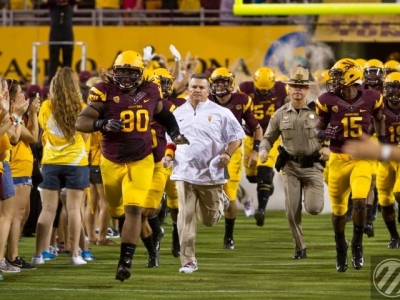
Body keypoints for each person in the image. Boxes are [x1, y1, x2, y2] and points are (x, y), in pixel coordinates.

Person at [75, 50, 189, 282]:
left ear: (140, 73)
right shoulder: (103, 92)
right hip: (111, 161)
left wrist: (175, 132)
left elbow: (163, 114)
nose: (126, 77)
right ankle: (150, 244)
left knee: (135, 210)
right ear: (114, 72)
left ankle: (124, 263)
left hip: (142, 160)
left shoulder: (150, 91)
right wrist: (102, 123)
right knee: (118, 213)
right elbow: (81, 121)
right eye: (122, 72)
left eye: (131, 72)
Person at [162, 73, 245, 273]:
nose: (197, 90)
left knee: (210, 220)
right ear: (187, 89)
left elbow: (237, 138)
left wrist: (227, 153)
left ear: (208, 91)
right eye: (193, 87)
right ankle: (188, 260)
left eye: (201, 87)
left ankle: (221, 201)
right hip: (183, 172)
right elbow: (171, 140)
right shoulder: (177, 113)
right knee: (185, 216)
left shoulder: (221, 112)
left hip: (211, 173)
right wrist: (168, 156)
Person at [315, 58, 385, 273]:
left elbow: (380, 118)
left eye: (338, 75)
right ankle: (340, 246)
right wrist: (322, 137)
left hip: (362, 157)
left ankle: (357, 244)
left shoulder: (373, 97)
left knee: (360, 200)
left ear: (351, 76)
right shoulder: (326, 99)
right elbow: (317, 129)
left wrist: (381, 142)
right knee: (337, 213)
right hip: (337, 159)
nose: (333, 80)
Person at [259, 66, 328, 260]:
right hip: (290, 168)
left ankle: (309, 198)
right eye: (294, 85)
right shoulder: (280, 114)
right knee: (291, 211)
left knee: (314, 208)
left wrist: (327, 146)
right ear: (288, 88)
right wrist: (263, 150)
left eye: (302, 86)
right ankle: (300, 247)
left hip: (313, 166)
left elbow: (330, 132)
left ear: (308, 90)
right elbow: (268, 138)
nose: (297, 89)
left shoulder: (319, 112)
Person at [32, 67, 89, 266]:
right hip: (76, 161)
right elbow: (85, 135)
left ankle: (38, 254)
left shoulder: (47, 106)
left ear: (54, 85)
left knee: (47, 209)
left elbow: (43, 130)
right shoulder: (82, 106)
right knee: (74, 209)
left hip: (50, 161)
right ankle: (75, 254)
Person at [209, 67, 262, 250]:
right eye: (217, 82)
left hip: (232, 150)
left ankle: (228, 236)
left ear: (231, 84)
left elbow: (256, 128)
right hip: (207, 151)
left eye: (224, 82)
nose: (220, 86)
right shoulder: (204, 100)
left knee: (229, 194)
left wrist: (255, 150)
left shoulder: (241, 100)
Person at [238, 66, 288, 227]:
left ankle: (261, 209)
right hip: (249, 136)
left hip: (270, 136)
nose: (264, 94)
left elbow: (289, 104)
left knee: (264, 172)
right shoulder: (244, 89)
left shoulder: (282, 89)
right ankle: (267, 184)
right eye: (261, 91)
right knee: (252, 176)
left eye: (267, 91)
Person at [46, 0, 79, 85]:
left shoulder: (70, 5)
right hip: (55, 35)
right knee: (53, 60)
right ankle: (51, 82)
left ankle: (67, 82)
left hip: (67, 34)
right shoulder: (52, 5)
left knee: (67, 60)